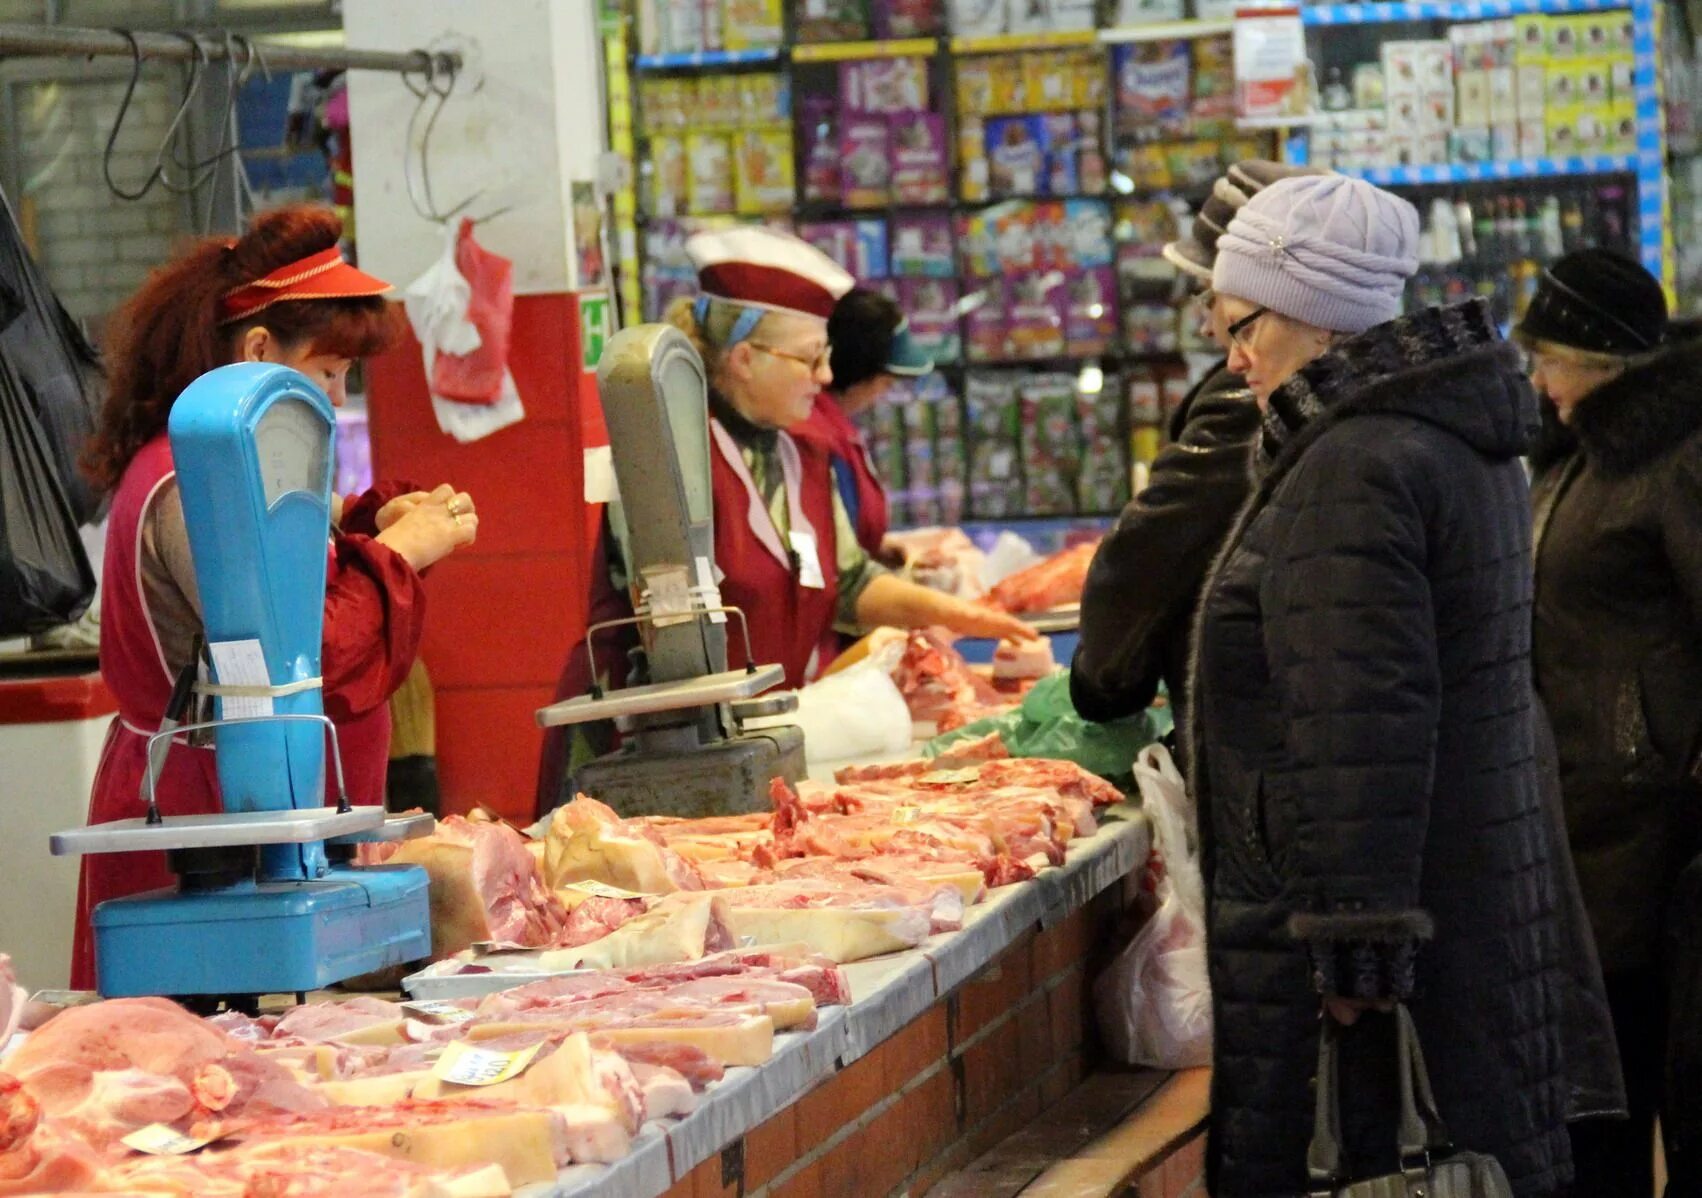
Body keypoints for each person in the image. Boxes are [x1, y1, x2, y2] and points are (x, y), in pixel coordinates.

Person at [1190, 175, 1578, 1195]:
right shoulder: (1447, 434)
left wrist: (1355, 950)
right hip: (1472, 904)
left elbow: (1362, 720)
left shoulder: (1353, 462)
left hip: (1383, 952)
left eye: (1241, 326)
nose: (1231, 359)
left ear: (1311, 314)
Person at [73, 204, 476, 989]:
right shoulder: (187, 484)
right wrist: (397, 553)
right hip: (200, 835)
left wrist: (366, 523)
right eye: (328, 372)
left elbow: (294, 562)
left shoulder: (240, 467)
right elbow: (301, 651)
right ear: (259, 350)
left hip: (276, 825)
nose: (337, 395)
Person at [536, 228, 1032, 815]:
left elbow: (851, 582)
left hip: (744, 749)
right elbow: (668, 619)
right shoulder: (667, 458)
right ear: (746, 358)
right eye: (810, 358)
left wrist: (970, 616)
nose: (825, 377)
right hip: (640, 761)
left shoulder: (801, 453)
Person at [1516, 248, 1702, 1195]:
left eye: (1547, 356)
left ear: (1599, 358)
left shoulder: (1673, 460)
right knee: (1598, 1109)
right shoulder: (1575, 461)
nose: (1538, 380)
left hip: (1663, 844)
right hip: (1585, 834)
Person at [1070, 160, 1320, 734]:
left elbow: (1153, 549)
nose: (1211, 330)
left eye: (1218, 300)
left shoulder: (1252, 399)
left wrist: (1104, 679)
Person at [790, 287, 933, 558]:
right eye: (886, 384)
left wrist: (879, 550)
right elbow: (829, 559)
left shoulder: (831, 429)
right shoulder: (814, 440)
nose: (882, 396)